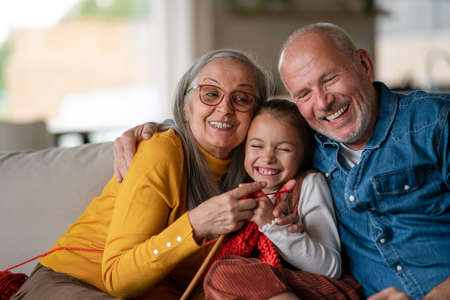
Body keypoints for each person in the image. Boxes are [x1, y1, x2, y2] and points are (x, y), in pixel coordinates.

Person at [114, 23, 450, 300]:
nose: (322, 103)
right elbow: (243, 132)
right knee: (228, 274)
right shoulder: (310, 144)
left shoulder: (435, 124)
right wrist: (159, 129)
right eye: (303, 93)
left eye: (330, 78)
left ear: (363, 64)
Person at [12, 49, 301, 300]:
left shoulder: (254, 174)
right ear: (187, 107)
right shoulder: (161, 149)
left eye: (241, 99)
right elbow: (118, 278)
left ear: (256, 113)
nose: (224, 109)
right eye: (210, 94)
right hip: (71, 282)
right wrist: (197, 223)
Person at [204, 99, 364, 299]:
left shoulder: (308, 184)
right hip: (274, 286)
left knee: (224, 272)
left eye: (284, 149)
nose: (268, 157)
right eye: (256, 146)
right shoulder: (244, 191)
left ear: (304, 153)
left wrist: (271, 225)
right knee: (220, 276)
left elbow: (331, 269)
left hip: (323, 290)